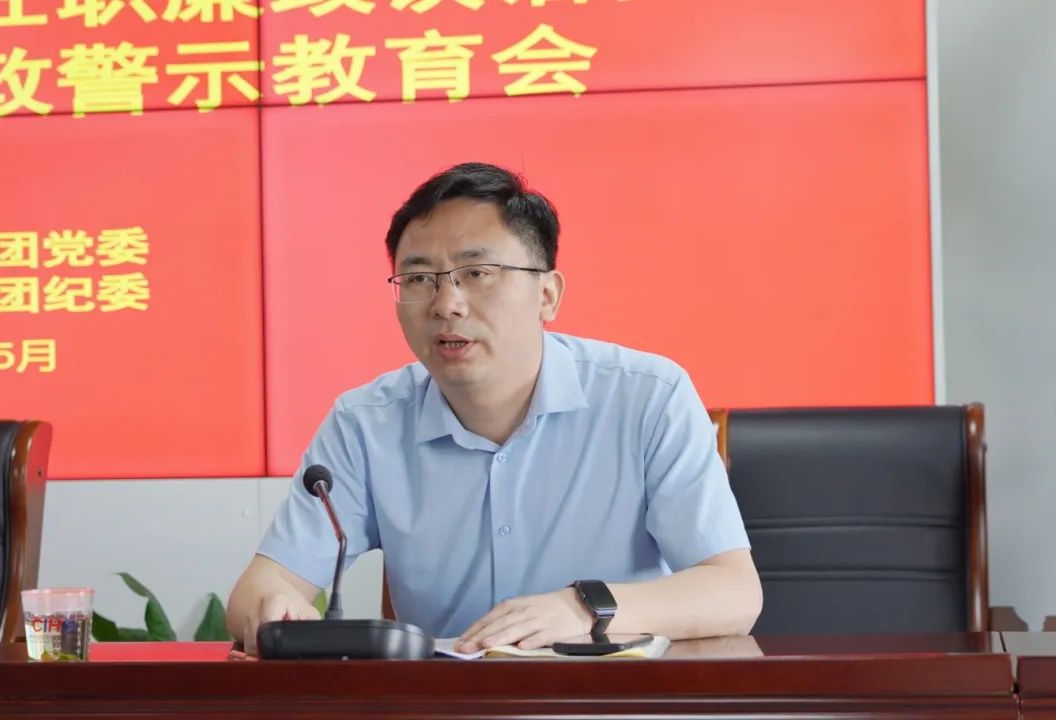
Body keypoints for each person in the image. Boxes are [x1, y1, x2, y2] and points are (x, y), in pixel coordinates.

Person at [227, 162, 762, 655]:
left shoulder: (647, 398)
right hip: (447, 707)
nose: (446, 304)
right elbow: (262, 587)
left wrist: (582, 609)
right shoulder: (366, 423)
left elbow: (734, 591)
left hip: (609, 702)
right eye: (419, 279)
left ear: (547, 295)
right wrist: (274, 609)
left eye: (477, 273)